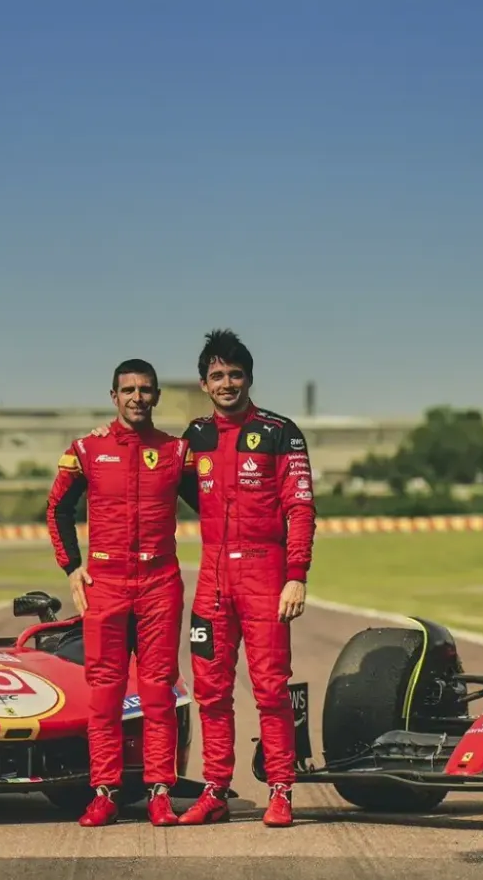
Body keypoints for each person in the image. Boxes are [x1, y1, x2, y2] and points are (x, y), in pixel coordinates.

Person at [175, 329, 316, 827]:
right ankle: (215, 789)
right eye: (217, 375)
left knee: (270, 688)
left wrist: (295, 575)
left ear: (249, 379)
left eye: (235, 374)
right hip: (212, 577)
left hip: (265, 572)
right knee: (210, 690)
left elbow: (300, 506)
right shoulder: (194, 437)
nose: (227, 382)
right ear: (204, 383)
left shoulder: (282, 431)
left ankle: (281, 789)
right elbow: (170, 489)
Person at [43, 358, 189, 827]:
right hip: (104, 585)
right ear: (114, 396)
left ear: (157, 396)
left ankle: (159, 791)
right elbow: (57, 510)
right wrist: (71, 568)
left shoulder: (176, 451)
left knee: (158, 692)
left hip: (160, 584)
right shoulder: (86, 449)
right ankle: (104, 791)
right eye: (128, 389)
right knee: (104, 692)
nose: (137, 397)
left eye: (145, 390)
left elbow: (216, 502)